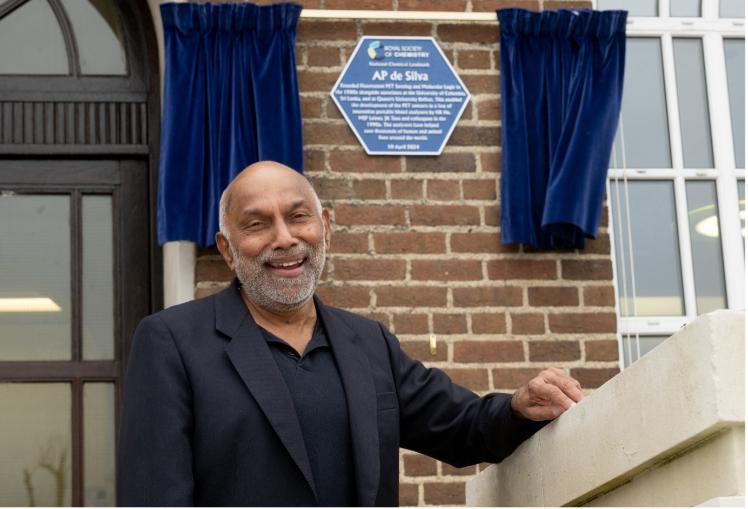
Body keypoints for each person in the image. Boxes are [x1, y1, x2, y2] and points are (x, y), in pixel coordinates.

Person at [117, 160, 583, 506]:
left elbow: (465, 430)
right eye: (257, 224)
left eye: (298, 217)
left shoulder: (368, 343)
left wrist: (521, 408)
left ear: (325, 227)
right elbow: (154, 497)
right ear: (227, 248)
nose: (284, 239)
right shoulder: (172, 343)